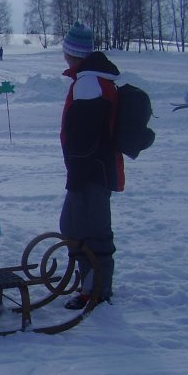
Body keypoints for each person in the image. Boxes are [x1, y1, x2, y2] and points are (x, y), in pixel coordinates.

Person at [59, 21, 122, 309]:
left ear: (71, 52)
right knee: (74, 226)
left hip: (90, 172)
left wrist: (77, 174)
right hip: (92, 170)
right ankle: (89, 282)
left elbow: (84, 139)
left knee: (88, 231)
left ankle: (95, 290)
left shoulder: (88, 83)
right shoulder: (90, 78)